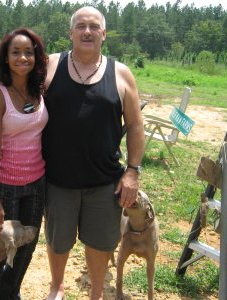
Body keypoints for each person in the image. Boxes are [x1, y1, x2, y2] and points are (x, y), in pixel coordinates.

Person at [42, 6, 145, 300]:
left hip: (104, 182)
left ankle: (96, 294)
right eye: (81, 26)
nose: (87, 31)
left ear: (104, 34)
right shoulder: (50, 65)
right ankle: (57, 287)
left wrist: (133, 171)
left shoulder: (121, 73)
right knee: (58, 241)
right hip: (58, 179)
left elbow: (136, 126)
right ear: (71, 33)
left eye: (94, 26)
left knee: (100, 243)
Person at [0, 28, 48, 300]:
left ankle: (11, 293)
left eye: (29, 52)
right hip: (6, 186)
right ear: (5, 58)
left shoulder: (40, 90)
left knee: (26, 248)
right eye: (16, 52)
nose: (23, 57)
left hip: (37, 183)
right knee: (1, 250)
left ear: (37, 57)